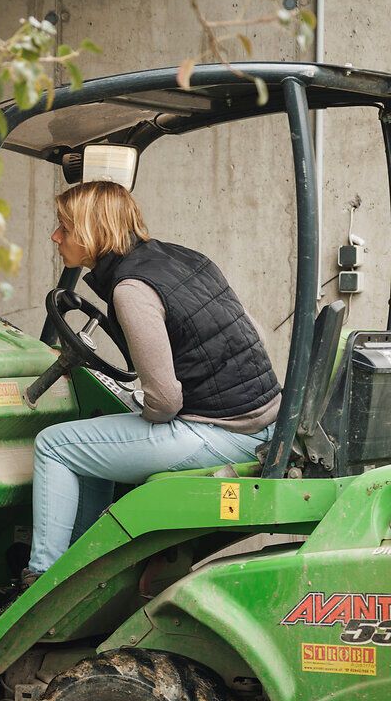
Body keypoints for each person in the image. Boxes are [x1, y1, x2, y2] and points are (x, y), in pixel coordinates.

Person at [27, 180, 280, 577]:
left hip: (222, 433)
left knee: (54, 445)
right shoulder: (187, 258)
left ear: (95, 230)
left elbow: (164, 402)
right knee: (91, 441)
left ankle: (41, 579)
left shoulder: (131, 287)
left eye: (65, 226)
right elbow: (257, 335)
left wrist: (144, 402)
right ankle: (82, 569)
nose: (55, 235)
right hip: (263, 422)